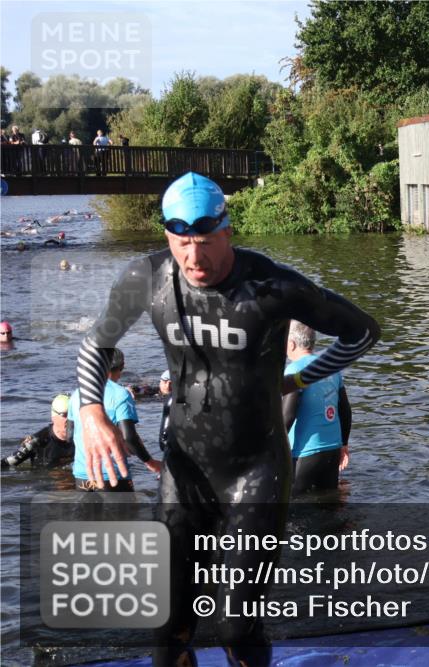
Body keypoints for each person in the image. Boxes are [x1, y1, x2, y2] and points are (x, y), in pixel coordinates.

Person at [75, 171, 380, 666]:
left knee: (236, 623)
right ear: (167, 236)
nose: (194, 259)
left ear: (228, 231)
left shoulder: (273, 285)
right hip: (185, 465)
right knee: (168, 623)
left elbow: (362, 332)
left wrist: (298, 380)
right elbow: (96, 344)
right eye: (181, 243)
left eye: (206, 242)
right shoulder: (146, 278)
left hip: (256, 466)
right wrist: (91, 409)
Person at [69, 347, 161, 492]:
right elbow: (129, 437)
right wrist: (150, 462)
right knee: (127, 515)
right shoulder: (121, 394)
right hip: (113, 476)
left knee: (87, 515)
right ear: (122, 367)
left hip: (82, 475)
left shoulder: (77, 394)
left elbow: (70, 434)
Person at [283, 321, 352, 495]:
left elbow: (288, 415)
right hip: (332, 450)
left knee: (295, 509)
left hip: (305, 453)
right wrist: (344, 444)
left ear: (291, 343)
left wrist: (272, 450)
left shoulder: (294, 370)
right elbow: (345, 409)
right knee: (329, 506)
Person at [1, 394, 74, 470]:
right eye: (65, 415)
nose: (70, 419)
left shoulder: (82, 437)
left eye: (73, 414)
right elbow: (5, 464)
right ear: (53, 417)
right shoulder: (36, 441)